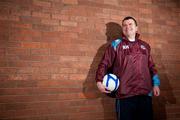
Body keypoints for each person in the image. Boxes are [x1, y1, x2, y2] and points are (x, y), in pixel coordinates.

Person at [95, 16, 160, 120]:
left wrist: (156, 84)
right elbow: (104, 63)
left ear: (136, 28)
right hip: (125, 96)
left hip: (145, 94)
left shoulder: (145, 46)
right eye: (124, 25)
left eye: (130, 24)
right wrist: (99, 81)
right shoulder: (116, 44)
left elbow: (151, 66)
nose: (127, 27)